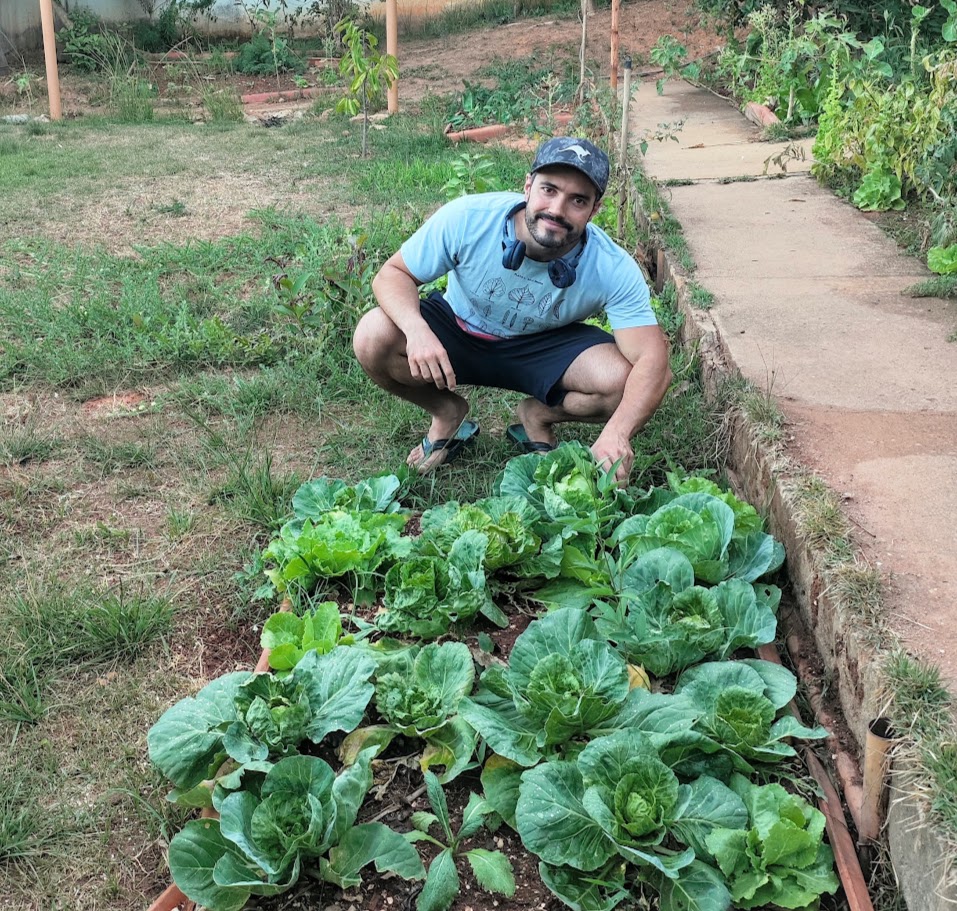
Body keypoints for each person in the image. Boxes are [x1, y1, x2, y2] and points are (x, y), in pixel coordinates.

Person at [352, 136, 672, 484]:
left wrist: (618, 432)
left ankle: (537, 415)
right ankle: (446, 412)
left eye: (577, 200)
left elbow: (653, 361)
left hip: (543, 347)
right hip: (458, 330)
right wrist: (416, 330)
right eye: (549, 190)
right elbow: (393, 274)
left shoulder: (611, 265)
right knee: (372, 335)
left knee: (623, 381)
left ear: (594, 210)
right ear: (528, 186)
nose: (557, 210)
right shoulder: (469, 218)